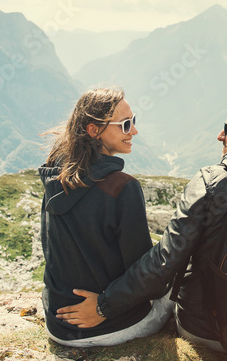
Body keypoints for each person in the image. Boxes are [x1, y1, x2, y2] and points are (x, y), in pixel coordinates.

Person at [56, 92, 227, 351]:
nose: (219, 135)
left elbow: (165, 260)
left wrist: (104, 306)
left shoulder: (210, 181)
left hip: (207, 332)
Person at [39, 86, 173, 347]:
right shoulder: (122, 188)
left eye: (133, 121)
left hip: (58, 323)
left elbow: (49, 247)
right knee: (177, 282)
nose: (134, 130)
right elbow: (143, 277)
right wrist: (103, 307)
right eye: (124, 124)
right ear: (93, 130)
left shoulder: (56, 176)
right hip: (105, 327)